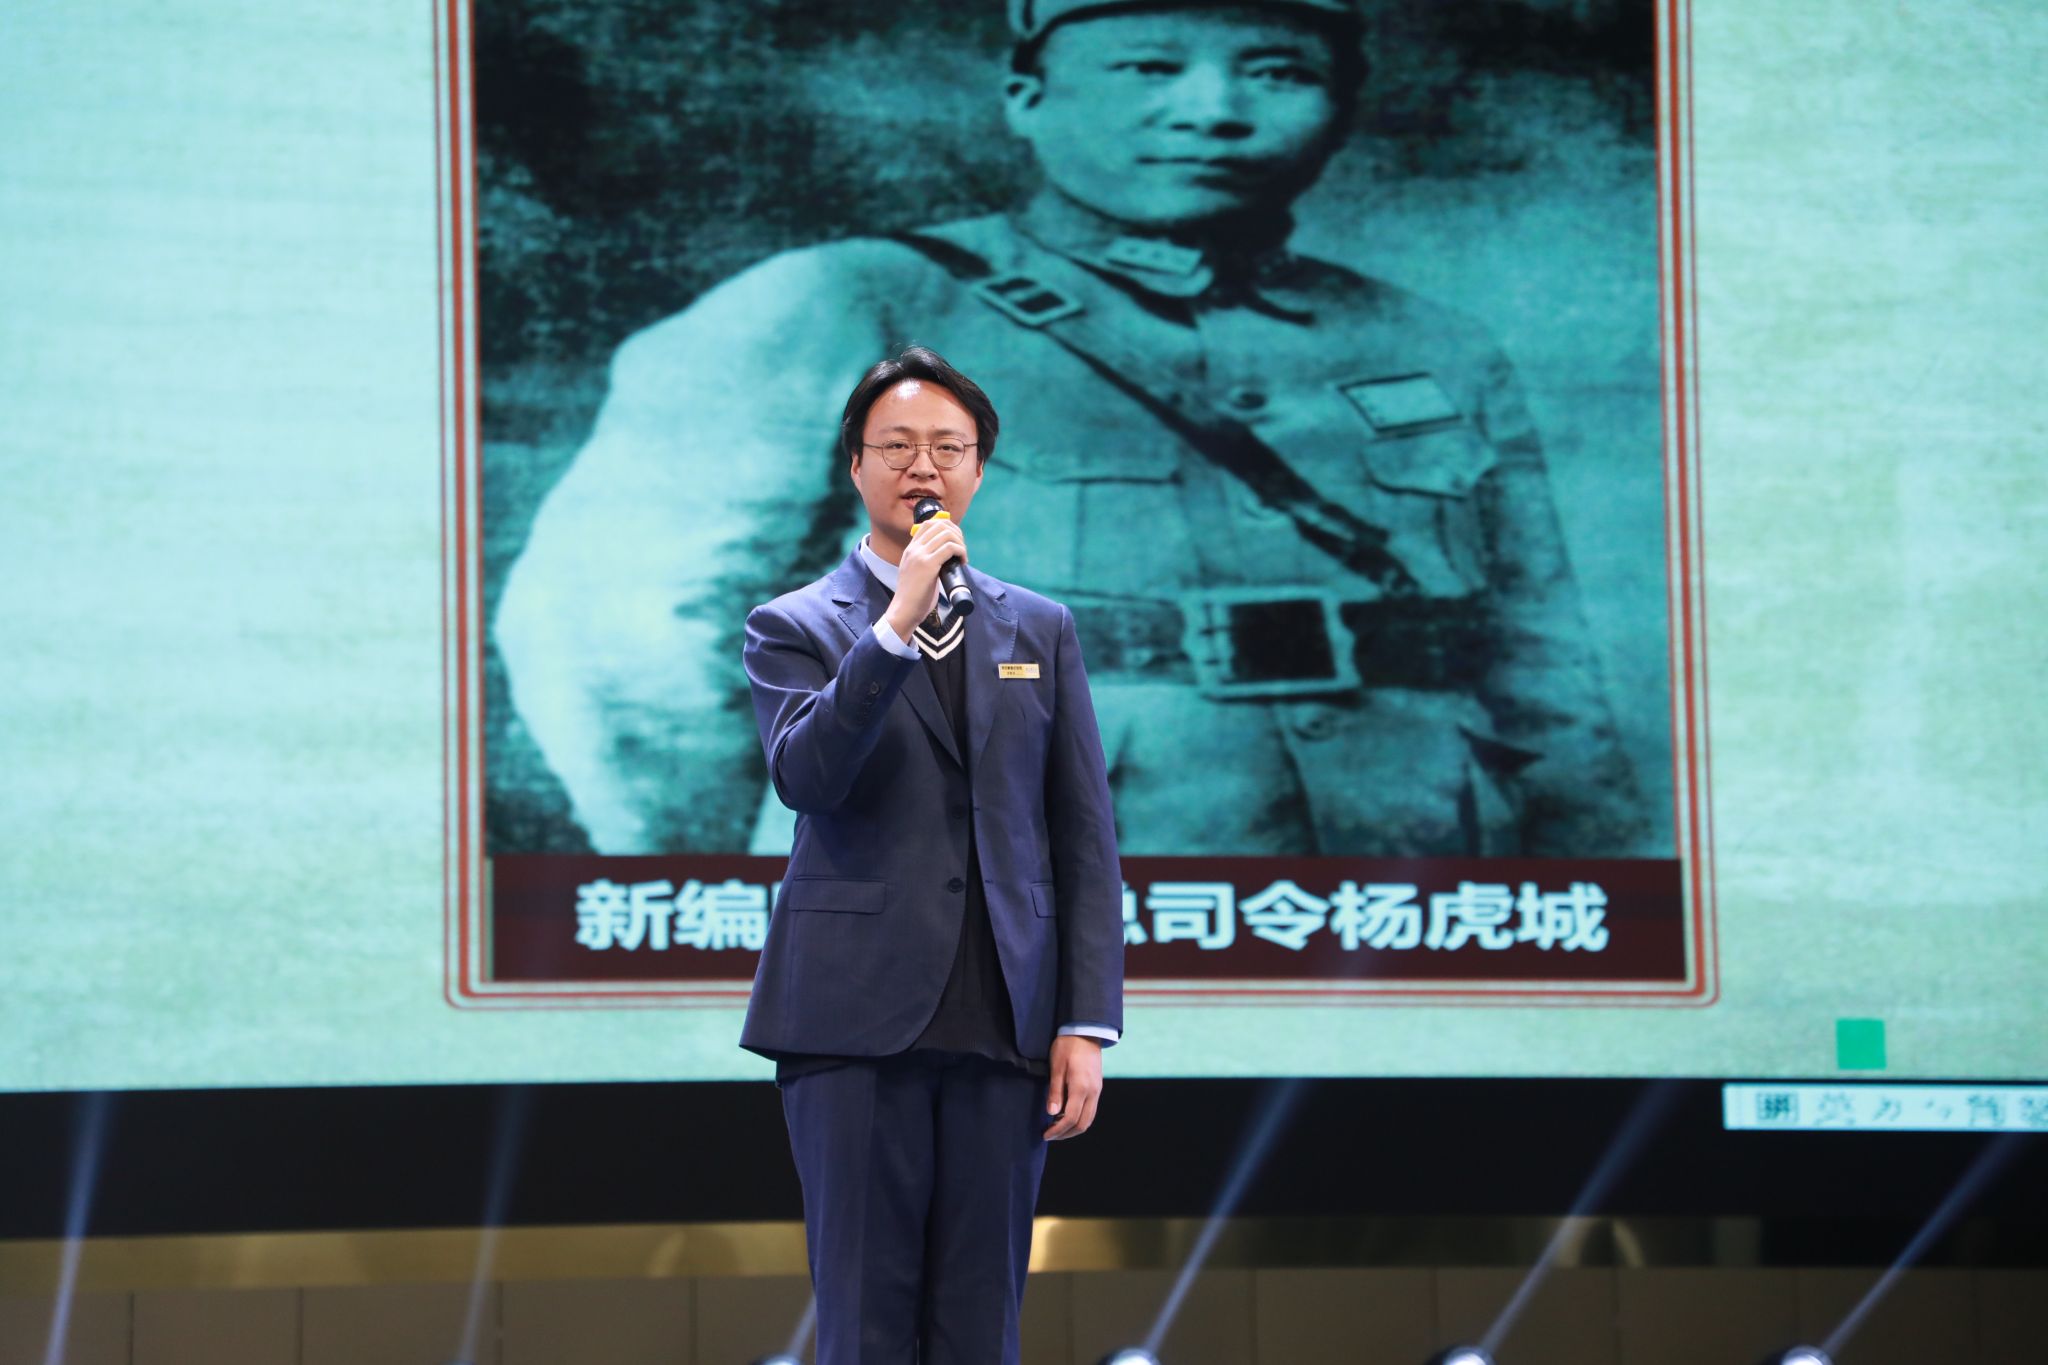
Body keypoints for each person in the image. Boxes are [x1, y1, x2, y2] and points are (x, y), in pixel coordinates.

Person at [495, 0, 1652, 860]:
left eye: (1276, 70)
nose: (1213, 108)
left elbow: (1538, 658)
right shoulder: (848, 302)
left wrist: (1584, 872)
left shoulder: (1428, 342)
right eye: (1148, 65)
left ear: (1340, 108)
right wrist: (735, 869)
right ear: (1025, 96)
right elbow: (622, 637)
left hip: (1396, 863)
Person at [740, 346, 1122, 1365]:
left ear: (979, 469)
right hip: (853, 1021)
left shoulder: (1038, 627)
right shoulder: (792, 625)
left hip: (1007, 1015)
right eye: (898, 446)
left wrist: (1084, 1020)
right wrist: (895, 625)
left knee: (981, 1319)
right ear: (855, 465)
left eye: (948, 448)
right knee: (866, 1318)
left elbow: (1082, 834)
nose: (924, 467)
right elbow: (807, 776)